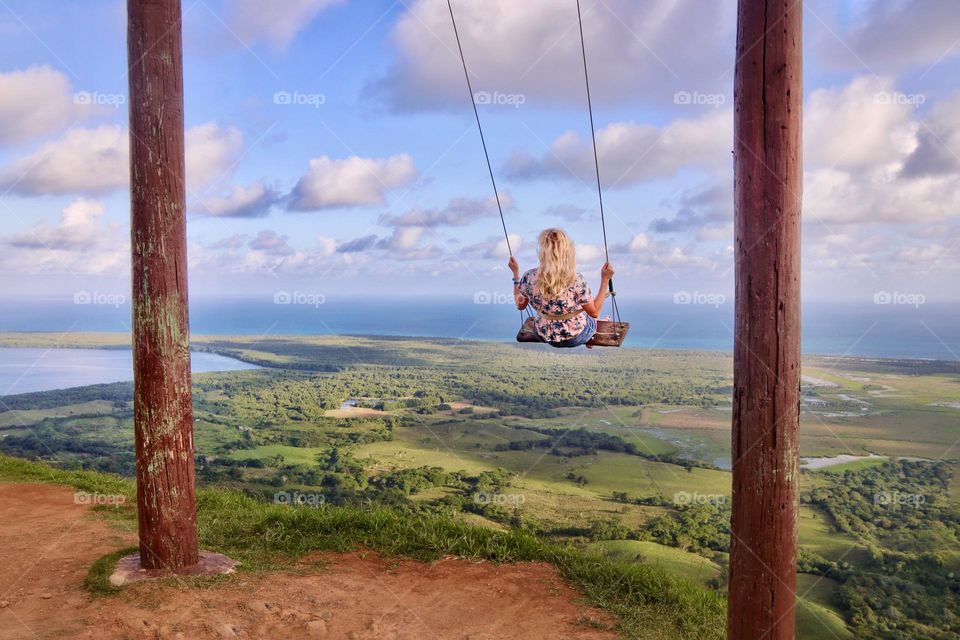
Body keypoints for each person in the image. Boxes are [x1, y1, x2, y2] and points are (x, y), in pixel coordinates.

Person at [509, 228, 614, 348]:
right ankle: (591, 334)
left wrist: (516, 273)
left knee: (582, 310)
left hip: (545, 335)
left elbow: (520, 305)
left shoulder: (529, 276)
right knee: (590, 315)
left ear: (542, 251)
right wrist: (605, 280)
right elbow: (594, 312)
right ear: (567, 251)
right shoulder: (576, 279)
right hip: (575, 337)